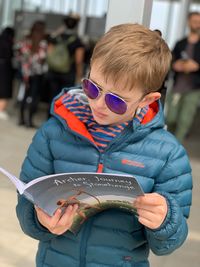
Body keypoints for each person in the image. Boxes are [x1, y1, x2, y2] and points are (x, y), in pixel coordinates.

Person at [16, 23, 192, 267]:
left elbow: (169, 243)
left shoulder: (168, 155)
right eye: (92, 87)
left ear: (147, 100)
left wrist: (166, 220)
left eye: (116, 101)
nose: (98, 104)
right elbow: (25, 204)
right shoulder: (53, 133)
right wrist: (39, 220)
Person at [166, 11, 200, 143]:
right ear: (189, 22)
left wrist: (196, 67)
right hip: (177, 86)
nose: (197, 24)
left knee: (185, 120)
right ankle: (169, 141)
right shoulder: (180, 43)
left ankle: (176, 147)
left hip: (194, 88)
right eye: (194, 21)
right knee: (171, 118)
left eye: (199, 22)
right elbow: (172, 61)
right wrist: (176, 65)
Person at [46, 13, 85, 115]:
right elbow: (78, 60)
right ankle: (59, 119)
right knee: (65, 99)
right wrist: (79, 74)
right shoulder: (77, 41)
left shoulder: (56, 38)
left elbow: (49, 53)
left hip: (53, 72)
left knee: (52, 97)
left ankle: (49, 117)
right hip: (68, 74)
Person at [15, 20, 47, 127]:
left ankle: (21, 119)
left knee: (24, 95)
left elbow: (19, 55)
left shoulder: (26, 40)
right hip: (37, 74)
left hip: (26, 73)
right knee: (34, 97)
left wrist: (26, 63)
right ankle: (29, 120)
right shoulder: (42, 42)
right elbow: (42, 58)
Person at [0, 27, 15, 120]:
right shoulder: (9, 44)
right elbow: (11, 56)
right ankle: (1, 110)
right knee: (4, 90)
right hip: (5, 69)